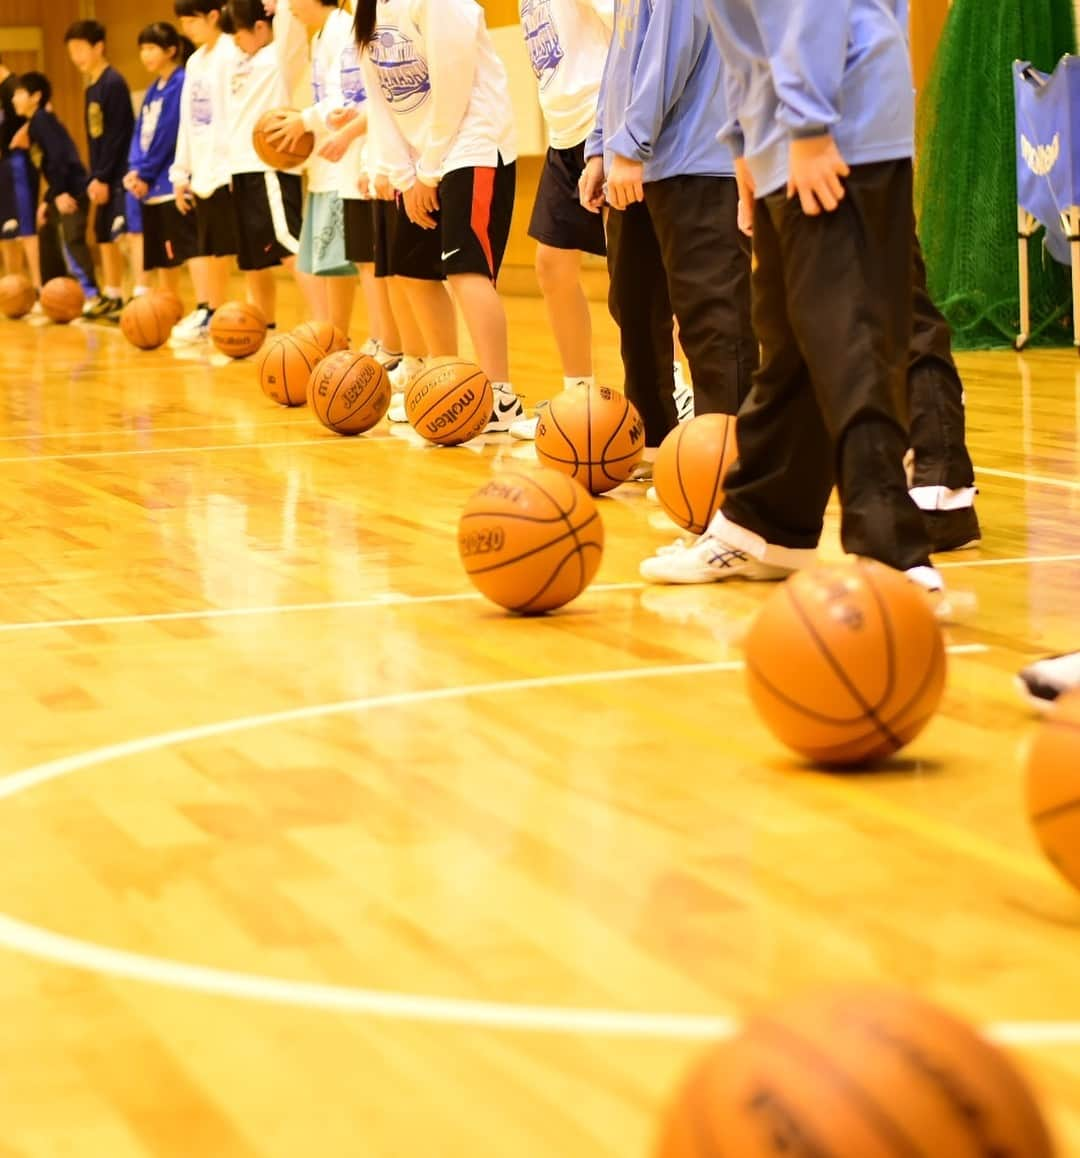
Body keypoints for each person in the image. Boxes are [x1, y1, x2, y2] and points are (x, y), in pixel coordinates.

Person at [641, 0, 941, 593]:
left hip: (832, 121)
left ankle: (891, 554)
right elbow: (742, 27)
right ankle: (763, 526)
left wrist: (806, 123)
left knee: (848, 339)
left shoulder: (814, 117)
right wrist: (745, 141)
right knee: (789, 343)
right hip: (789, 127)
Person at [579, 0, 755, 478]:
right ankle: (654, 443)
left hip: (696, 159)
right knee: (634, 310)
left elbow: (672, 48)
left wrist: (630, 144)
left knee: (713, 321)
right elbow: (622, 57)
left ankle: (730, 462)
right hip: (635, 162)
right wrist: (600, 145)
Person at [353, 0, 525, 432]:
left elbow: (453, 91)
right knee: (413, 272)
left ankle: (499, 395)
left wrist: (428, 172)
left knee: (467, 270)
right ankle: (446, 383)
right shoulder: (368, 10)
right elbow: (381, 103)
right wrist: (399, 173)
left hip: (473, 145)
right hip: (420, 162)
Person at [510, 0, 613, 441]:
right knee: (551, 264)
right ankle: (578, 395)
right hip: (564, 134)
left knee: (641, 276)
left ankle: (674, 389)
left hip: (605, 124)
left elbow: (629, 30)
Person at [264, 0, 359, 337]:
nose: (286, 8)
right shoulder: (321, 35)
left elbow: (347, 99)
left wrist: (302, 121)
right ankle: (337, 335)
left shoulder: (342, 29)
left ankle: (381, 344)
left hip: (347, 164)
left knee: (362, 267)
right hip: (326, 166)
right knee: (333, 266)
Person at [220, 0, 311, 330]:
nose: (235, 41)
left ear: (260, 27)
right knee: (253, 260)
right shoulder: (241, 60)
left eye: (239, 34)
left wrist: (280, 5)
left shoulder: (279, 59)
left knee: (290, 248)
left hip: (269, 167)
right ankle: (265, 327)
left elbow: (290, 22)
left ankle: (328, 327)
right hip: (241, 170)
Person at [169, 0, 238, 342]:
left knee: (232, 251)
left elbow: (233, 116)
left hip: (227, 169)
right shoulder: (195, 62)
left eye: (192, 21)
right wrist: (181, 172)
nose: (187, 30)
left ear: (213, 16)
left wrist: (232, 166)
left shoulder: (231, 53)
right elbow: (188, 121)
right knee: (210, 247)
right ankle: (213, 310)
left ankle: (233, 315)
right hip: (203, 172)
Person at [64, 20, 135, 318]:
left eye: (81, 48)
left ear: (99, 47)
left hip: (118, 175)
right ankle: (113, 293)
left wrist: (104, 176)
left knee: (124, 236)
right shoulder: (91, 87)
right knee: (102, 234)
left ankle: (137, 295)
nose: (76, 56)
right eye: (72, 51)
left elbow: (118, 134)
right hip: (102, 175)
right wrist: (95, 176)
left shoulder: (113, 83)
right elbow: (96, 138)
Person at [11, 72, 99, 303]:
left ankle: (90, 295)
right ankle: (54, 297)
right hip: (60, 190)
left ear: (36, 96)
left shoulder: (42, 120)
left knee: (71, 241)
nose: (14, 99)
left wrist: (60, 193)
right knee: (47, 234)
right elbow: (50, 165)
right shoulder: (36, 123)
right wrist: (48, 199)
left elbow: (60, 158)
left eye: (19, 93)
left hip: (73, 190)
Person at [124, 22, 198, 298]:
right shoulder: (154, 88)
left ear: (171, 50)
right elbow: (139, 130)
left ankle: (192, 307)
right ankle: (170, 308)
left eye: (151, 48)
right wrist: (135, 170)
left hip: (167, 182)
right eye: (142, 48)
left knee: (180, 251)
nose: (145, 55)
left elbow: (168, 133)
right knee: (163, 256)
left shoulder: (180, 82)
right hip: (148, 183)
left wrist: (145, 172)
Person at [0, 54, 42, 289]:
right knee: (6, 230)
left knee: (26, 227)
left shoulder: (13, 86)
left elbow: (44, 108)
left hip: (18, 164)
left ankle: (38, 287)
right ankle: (12, 287)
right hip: (3, 166)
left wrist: (26, 131)